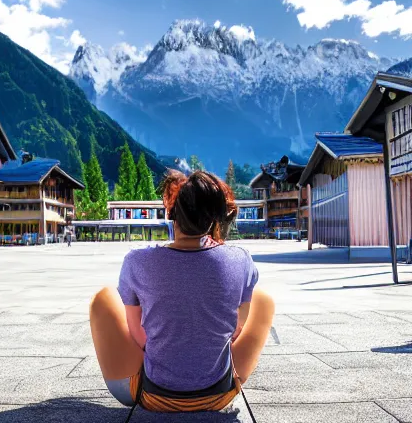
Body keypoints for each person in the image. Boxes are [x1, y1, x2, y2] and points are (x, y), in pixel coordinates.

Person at [90, 170, 275, 414]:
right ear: (213, 219)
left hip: (150, 394)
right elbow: (237, 328)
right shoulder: (240, 259)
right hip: (220, 393)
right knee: (262, 298)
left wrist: (167, 346)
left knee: (103, 298)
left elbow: (137, 333)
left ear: (172, 213)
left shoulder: (137, 261)